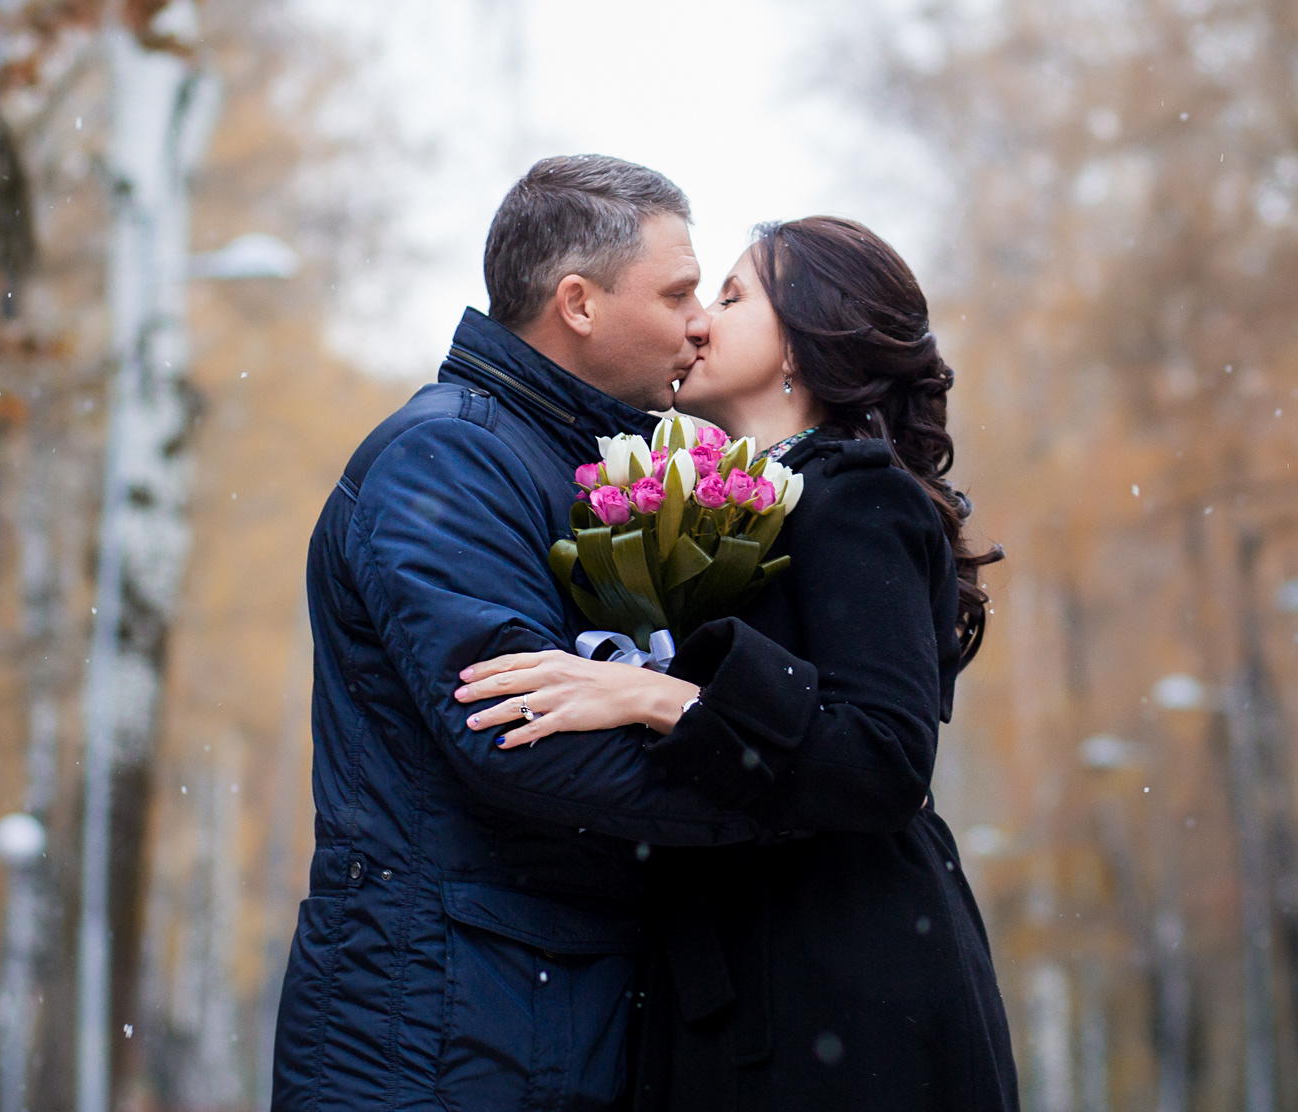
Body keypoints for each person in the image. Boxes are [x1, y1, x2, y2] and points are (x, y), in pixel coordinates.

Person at [268, 156, 804, 1112]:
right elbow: (519, 730)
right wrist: (777, 800)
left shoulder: (571, 460)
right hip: (432, 1021)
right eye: (679, 290)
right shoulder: (449, 456)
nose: (699, 321)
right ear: (579, 303)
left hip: (528, 1001)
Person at [454, 215, 1019, 1112]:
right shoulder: (735, 507)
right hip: (735, 983)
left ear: (807, 336)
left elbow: (884, 758)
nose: (700, 323)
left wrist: (656, 697)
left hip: (844, 984)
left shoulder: (858, 496)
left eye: (731, 295)